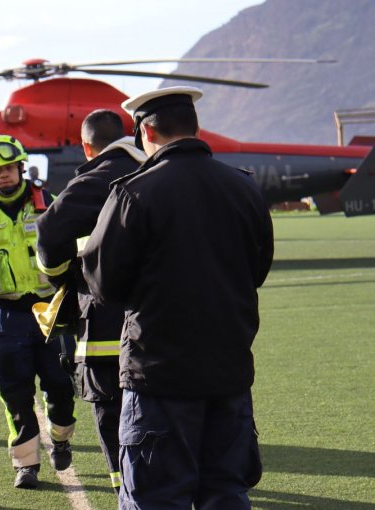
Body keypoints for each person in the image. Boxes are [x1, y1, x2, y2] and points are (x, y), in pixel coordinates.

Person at [81, 87, 273, 509]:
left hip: (158, 378)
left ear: (145, 132)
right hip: (229, 375)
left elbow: (103, 284)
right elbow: (257, 270)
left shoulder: (133, 193)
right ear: (194, 127)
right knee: (225, 494)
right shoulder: (245, 190)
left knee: (154, 498)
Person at [0, 132, 77, 489]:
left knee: (60, 385)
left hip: (50, 309)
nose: (2, 175)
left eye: (8, 168)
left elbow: (75, 254)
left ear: (21, 167)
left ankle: (62, 435)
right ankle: (26, 464)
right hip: (6, 313)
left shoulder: (48, 203)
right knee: (15, 391)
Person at [35, 109, 146, 493]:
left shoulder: (93, 180)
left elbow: (49, 232)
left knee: (111, 409)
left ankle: (125, 492)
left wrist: (64, 278)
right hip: (162, 317)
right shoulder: (153, 171)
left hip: (103, 322)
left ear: (86, 146)